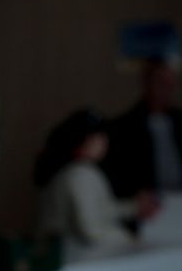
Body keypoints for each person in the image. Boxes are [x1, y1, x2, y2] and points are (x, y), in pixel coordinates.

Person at [35, 109, 157, 255]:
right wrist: (129, 237)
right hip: (74, 259)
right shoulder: (79, 174)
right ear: (82, 140)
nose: (104, 141)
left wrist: (133, 207)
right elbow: (91, 232)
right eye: (98, 136)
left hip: (74, 257)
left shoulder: (82, 170)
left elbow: (102, 209)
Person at [101, 56, 182, 199]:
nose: (166, 89)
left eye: (170, 83)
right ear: (146, 83)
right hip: (147, 207)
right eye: (160, 82)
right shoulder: (123, 128)